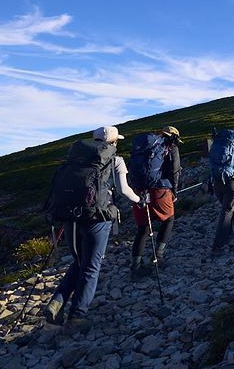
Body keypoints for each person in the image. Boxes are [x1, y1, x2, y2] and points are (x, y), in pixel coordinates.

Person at [44, 126, 140, 333]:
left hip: (69, 218)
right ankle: (77, 317)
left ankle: (56, 303)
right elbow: (123, 190)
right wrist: (140, 200)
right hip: (97, 219)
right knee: (91, 266)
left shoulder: (75, 159)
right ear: (114, 142)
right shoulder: (116, 160)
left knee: (78, 262)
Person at [130, 126, 181, 279]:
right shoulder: (169, 145)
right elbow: (174, 170)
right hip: (160, 189)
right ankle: (158, 257)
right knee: (169, 219)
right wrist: (174, 190)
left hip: (138, 190)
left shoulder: (145, 145)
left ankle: (136, 266)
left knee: (143, 228)